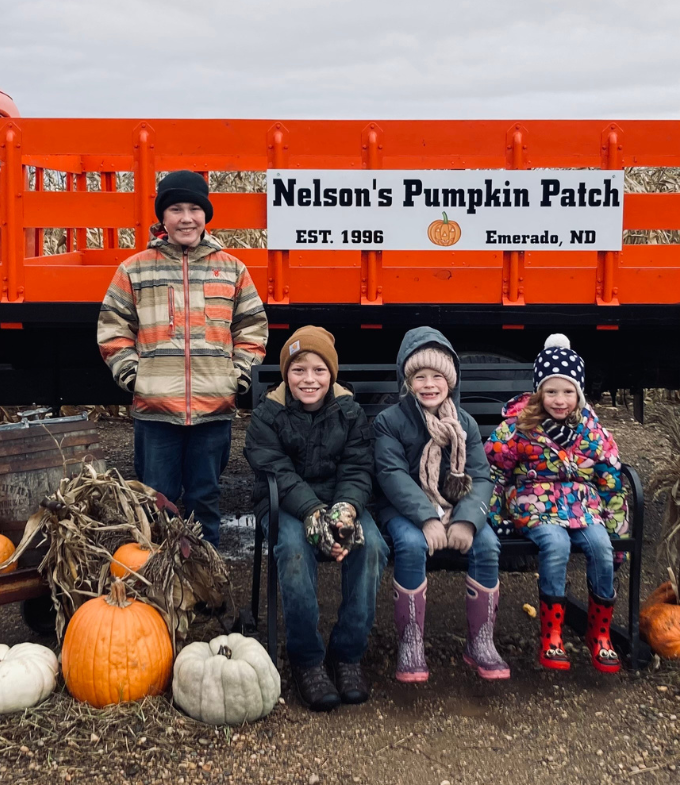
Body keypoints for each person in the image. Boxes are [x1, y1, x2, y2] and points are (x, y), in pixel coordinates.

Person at [97, 170, 267, 546]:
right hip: (156, 411)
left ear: (206, 216)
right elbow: (113, 327)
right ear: (163, 217)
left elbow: (252, 328)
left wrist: (237, 377)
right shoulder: (135, 269)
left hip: (213, 409)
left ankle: (206, 589)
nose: (186, 217)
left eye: (194, 208)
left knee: (205, 498)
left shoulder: (232, 269)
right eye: (176, 209)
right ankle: (159, 588)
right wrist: (132, 376)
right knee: (156, 500)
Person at [243, 326, 384, 711]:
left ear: (331, 374)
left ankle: (347, 653)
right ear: (286, 373)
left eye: (319, 370)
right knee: (292, 550)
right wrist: (312, 512)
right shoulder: (267, 415)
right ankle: (306, 659)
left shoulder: (350, 411)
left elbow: (358, 466)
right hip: (287, 505)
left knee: (370, 547)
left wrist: (346, 509)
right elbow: (275, 470)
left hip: (339, 501)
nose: (309, 379)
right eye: (299, 369)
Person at [486, 333, 629, 674]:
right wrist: (494, 513)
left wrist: (616, 527)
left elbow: (610, 478)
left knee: (601, 547)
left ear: (578, 394)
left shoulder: (592, 431)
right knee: (556, 545)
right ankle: (551, 633)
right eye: (551, 391)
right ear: (539, 392)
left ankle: (600, 633)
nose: (559, 400)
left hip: (582, 506)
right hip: (535, 503)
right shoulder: (521, 427)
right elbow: (495, 468)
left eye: (567, 391)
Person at [372, 326, 508, 682]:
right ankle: (411, 641)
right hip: (404, 509)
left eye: (437, 376)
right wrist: (428, 517)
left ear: (451, 381)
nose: (429, 384)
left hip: (455, 506)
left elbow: (479, 478)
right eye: (419, 376)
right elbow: (391, 475)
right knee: (412, 543)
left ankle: (481, 641)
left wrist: (464, 520)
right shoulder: (390, 422)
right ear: (407, 381)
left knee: (488, 544)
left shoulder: (464, 423)